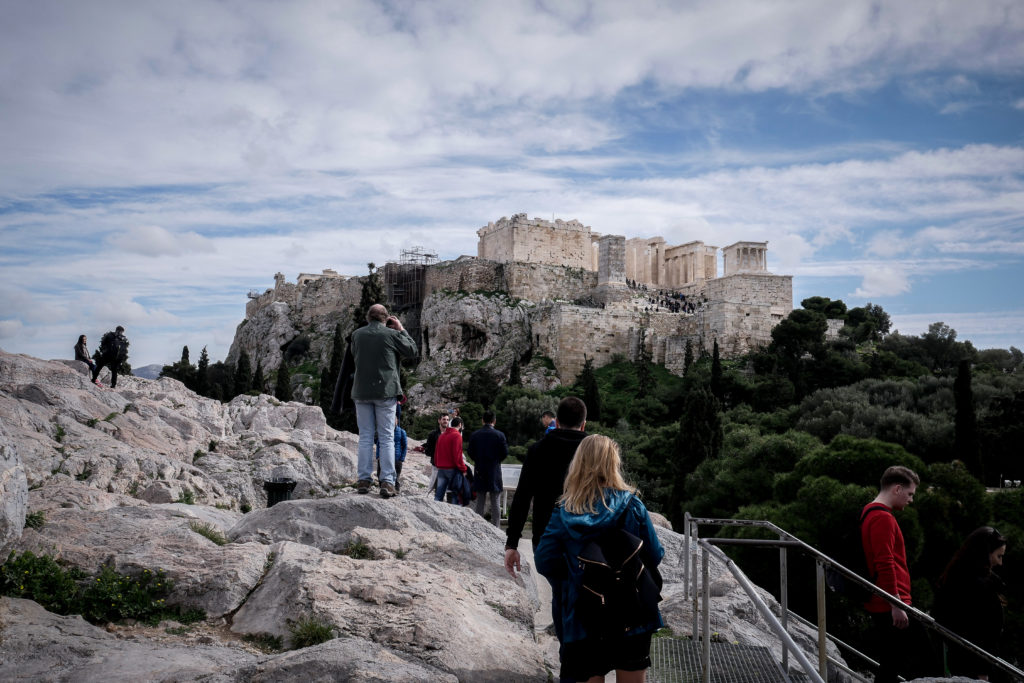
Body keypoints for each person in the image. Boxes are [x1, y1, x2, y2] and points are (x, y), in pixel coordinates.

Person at [534, 434, 664, 683]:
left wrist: (575, 576)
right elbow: (655, 555)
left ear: (579, 464)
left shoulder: (564, 511)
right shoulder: (633, 505)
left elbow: (544, 560)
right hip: (631, 611)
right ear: (613, 464)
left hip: (585, 614)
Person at [505, 396, 588, 683]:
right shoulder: (595, 450)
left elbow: (522, 497)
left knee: (561, 594)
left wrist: (512, 543)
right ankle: (579, 661)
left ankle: (568, 660)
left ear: (557, 421)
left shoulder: (539, 449)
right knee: (580, 598)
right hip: (586, 541)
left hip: (546, 539)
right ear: (583, 423)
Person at [861, 465, 934, 682]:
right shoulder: (883, 518)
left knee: (891, 663)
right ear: (897, 489)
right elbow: (885, 562)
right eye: (910, 494)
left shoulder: (868, 511)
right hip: (892, 603)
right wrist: (897, 604)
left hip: (886, 600)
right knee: (926, 660)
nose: (911, 500)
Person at [350, 304, 417, 498]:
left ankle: (363, 479)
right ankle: (387, 482)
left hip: (361, 392)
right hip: (385, 391)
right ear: (386, 318)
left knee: (365, 437)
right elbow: (412, 350)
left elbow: (356, 356)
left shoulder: (357, 335)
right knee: (387, 437)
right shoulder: (391, 334)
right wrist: (401, 329)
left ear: (368, 317)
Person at [935, 526, 1008, 680]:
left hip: (967, 659)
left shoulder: (956, 576)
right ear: (985, 554)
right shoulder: (976, 585)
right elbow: (981, 630)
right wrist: (983, 670)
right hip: (975, 664)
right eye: (998, 556)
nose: (1000, 562)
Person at [468, 411, 508, 527]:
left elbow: (470, 452)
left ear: (482, 420)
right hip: (494, 470)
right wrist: (496, 461)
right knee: (495, 501)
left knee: (480, 501)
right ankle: (496, 527)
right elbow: (505, 453)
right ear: (494, 421)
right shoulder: (500, 435)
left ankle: (479, 527)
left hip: (479, 470)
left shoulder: (475, 435)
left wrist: (478, 460)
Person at [434, 416, 467, 502]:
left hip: (441, 468)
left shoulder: (442, 435)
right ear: (460, 425)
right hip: (452, 469)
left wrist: (437, 464)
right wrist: (463, 469)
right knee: (453, 495)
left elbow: (437, 452)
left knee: (439, 494)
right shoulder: (457, 436)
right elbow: (457, 455)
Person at [376, 422, 408, 493]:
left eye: (395, 419)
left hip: (396, 458)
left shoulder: (402, 432)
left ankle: (396, 490)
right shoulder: (383, 430)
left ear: (397, 421)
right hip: (383, 456)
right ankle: (383, 488)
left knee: (396, 475)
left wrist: (402, 458)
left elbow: (405, 446)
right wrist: (378, 455)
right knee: (379, 473)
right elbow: (378, 444)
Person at [425, 413, 450, 493]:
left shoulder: (451, 434)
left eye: (447, 420)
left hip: (448, 465)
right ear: (439, 420)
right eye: (444, 419)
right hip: (436, 464)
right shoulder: (433, 434)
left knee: (448, 488)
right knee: (434, 486)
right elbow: (428, 450)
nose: (445, 421)